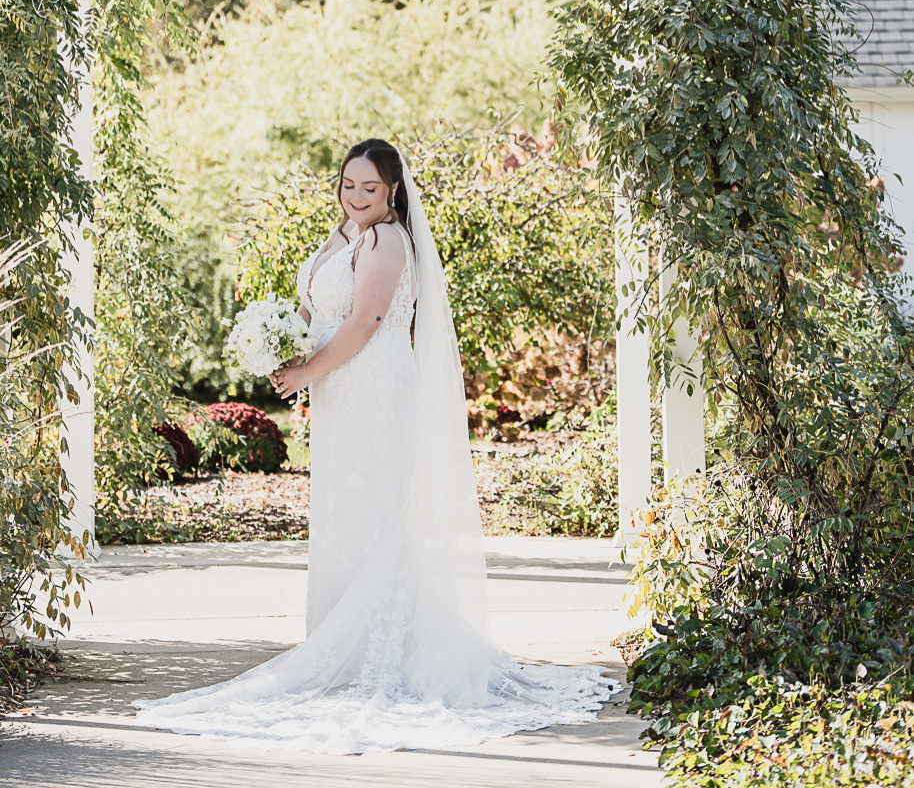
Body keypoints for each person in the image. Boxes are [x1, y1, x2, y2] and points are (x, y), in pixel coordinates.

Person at [134, 138, 616, 754]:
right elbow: (319, 315)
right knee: (346, 514)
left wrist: (307, 373)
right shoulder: (339, 238)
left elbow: (365, 322)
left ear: (392, 191)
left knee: (377, 512)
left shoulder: (388, 240)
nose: (356, 196)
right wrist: (280, 347)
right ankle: (347, 639)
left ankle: (383, 651)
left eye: (369, 188)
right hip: (343, 390)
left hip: (377, 387)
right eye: (348, 185)